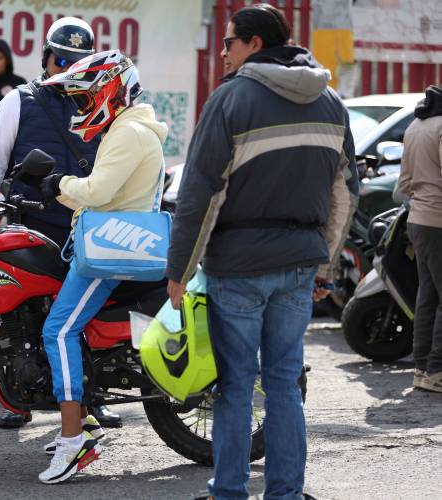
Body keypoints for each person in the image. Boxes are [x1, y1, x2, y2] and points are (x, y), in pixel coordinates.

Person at [164, 4, 358, 499]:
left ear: (253, 44)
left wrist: (179, 270)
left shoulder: (231, 100)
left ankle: (229, 492)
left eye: (229, 43)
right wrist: (324, 260)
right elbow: (345, 192)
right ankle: (286, 493)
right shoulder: (331, 101)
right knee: (284, 384)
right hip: (298, 264)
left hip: (238, 267)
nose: (224, 52)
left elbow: (200, 193)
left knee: (235, 386)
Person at [0, 17, 123, 430]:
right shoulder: (17, 101)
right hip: (32, 223)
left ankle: (92, 398)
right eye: (61, 60)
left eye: (78, 63)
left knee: (87, 316)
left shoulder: (101, 102)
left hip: (87, 225)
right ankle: (17, 399)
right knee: (20, 317)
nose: (68, 70)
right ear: (45, 57)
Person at [36, 50, 166, 484]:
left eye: (85, 98)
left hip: (110, 252)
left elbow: (98, 189)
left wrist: (58, 184)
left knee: (58, 330)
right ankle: (85, 421)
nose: (81, 108)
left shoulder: (129, 132)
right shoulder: (130, 127)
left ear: (110, 90)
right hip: (110, 242)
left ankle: (74, 439)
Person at [399, 84, 442, 393]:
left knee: (428, 296)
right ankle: (437, 371)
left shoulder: (415, 126)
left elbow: (403, 182)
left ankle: (421, 367)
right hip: (439, 221)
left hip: (417, 220)